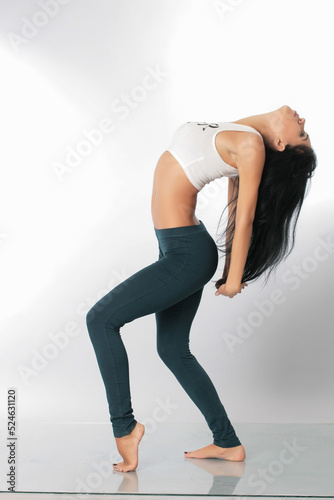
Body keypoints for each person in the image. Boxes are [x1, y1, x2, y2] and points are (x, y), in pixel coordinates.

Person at [86, 105, 317, 472]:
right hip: (176, 247)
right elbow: (234, 196)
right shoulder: (247, 134)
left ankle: (125, 427)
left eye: (301, 134)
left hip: (186, 254)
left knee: (100, 320)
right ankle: (227, 442)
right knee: (173, 349)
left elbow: (243, 219)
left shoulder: (253, 147)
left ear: (279, 143)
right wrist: (227, 268)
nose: (303, 121)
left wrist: (234, 276)